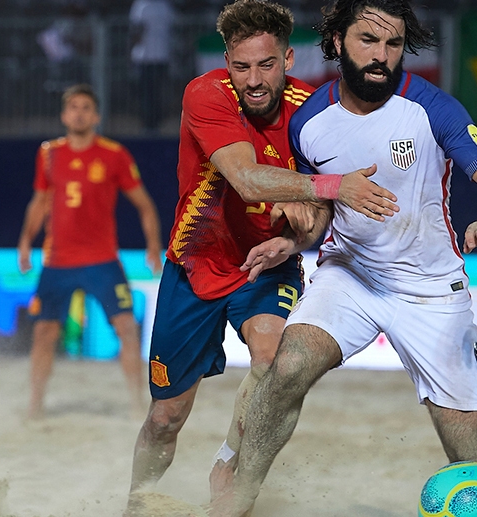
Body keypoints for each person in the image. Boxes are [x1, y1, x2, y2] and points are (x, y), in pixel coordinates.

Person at [209, 0, 477, 514]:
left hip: (430, 290)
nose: (381, 55)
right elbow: (321, 211)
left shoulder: (432, 108)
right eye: (367, 41)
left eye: (393, 44)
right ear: (337, 43)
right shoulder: (309, 122)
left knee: (469, 457)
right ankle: (238, 498)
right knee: (289, 366)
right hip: (349, 275)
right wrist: (293, 240)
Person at [126, 0, 399, 510]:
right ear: (227, 62)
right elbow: (247, 178)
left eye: (266, 65)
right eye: (241, 66)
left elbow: (318, 215)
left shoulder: (315, 112)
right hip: (196, 266)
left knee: (274, 358)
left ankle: (230, 465)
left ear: (289, 59)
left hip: (267, 265)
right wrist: (331, 185)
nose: (253, 79)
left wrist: (295, 240)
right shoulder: (206, 94)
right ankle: (137, 500)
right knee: (166, 418)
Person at [17, 83, 163, 420]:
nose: (79, 113)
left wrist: (153, 246)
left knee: (127, 328)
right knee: (44, 332)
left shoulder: (114, 154)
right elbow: (40, 201)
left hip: (102, 259)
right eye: (73, 107)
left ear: (96, 116)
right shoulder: (48, 153)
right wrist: (25, 241)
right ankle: (35, 406)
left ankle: (137, 405)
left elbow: (144, 205)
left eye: (86, 107)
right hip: (59, 260)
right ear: (64, 114)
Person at [129, 0, 175, 133]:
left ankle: (150, 125)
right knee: (153, 92)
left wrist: (130, 51)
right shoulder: (164, 5)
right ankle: (152, 124)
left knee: (148, 93)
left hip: (148, 56)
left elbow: (136, 30)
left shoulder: (141, 5)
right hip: (157, 55)